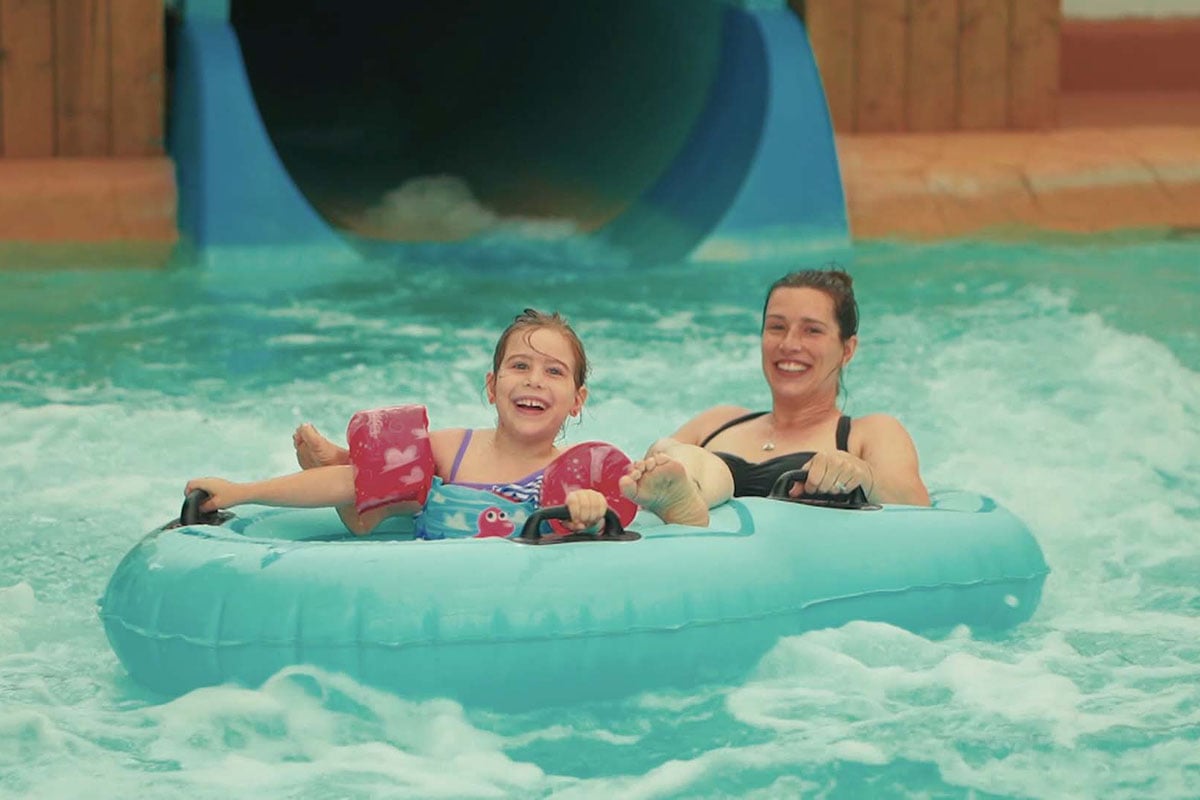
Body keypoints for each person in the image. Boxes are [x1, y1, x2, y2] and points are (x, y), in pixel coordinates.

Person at [187, 309, 614, 535]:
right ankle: (343, 461)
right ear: (491, 386)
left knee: (379, 492)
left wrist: (590, 510)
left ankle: (341, 458)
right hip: (427, 594)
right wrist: (241, 493)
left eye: (554, 372)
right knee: (371, 489)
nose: (534, 380)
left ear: (577, 401)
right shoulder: (454, 449)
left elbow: (604, 516)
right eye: (519, 366)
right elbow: (352, 484)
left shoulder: (578, 469)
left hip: (515, 603)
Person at [619, 267, 931, 526]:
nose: (789, 344)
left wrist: (863, 475)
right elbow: (636, 486)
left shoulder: (869, 432)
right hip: (699, 556)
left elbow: (917, 505)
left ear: (847, 350)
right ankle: (687, 501)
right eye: (777, 327)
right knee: (668, 450)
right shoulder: (717, 421)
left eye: (812, 330)